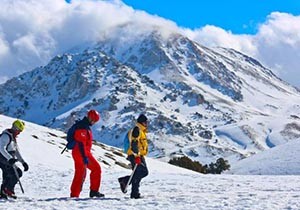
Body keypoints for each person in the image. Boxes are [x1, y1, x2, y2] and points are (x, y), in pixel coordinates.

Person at [70, 110, 104, 198]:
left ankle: (77, 194)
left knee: (81, 172)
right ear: (89, 117)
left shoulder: (85, 125)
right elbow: (81, 143)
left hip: (81, 152)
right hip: (81, 152)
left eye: (95, 121)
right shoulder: (82, 127)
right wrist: (84, 156)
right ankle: (77, 194)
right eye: (93, 120)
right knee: (86, 171)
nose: (94, 122)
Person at [118, 114, 149, 199]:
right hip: (135, 155)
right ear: (142, 122)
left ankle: (134, 193)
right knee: (143, 172)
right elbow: (134, 144)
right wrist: (137, 156)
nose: (147, 123)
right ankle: (125, 180)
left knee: (138, 173)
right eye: (146, 122)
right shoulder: (137, 130)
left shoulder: (141, 131)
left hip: (139, 155)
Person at [0, 120, 29, 199]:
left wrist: (23, 162)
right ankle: (8, 190)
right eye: (18, 131)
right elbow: (1, 148)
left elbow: (16, 151)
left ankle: (4, 192)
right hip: (3, 159)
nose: (19, 133)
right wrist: (9, 159)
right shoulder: (6, 136)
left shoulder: (13, 137)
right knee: (17, 173)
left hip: (6, 159)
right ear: (15, 128)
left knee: (7, 176)